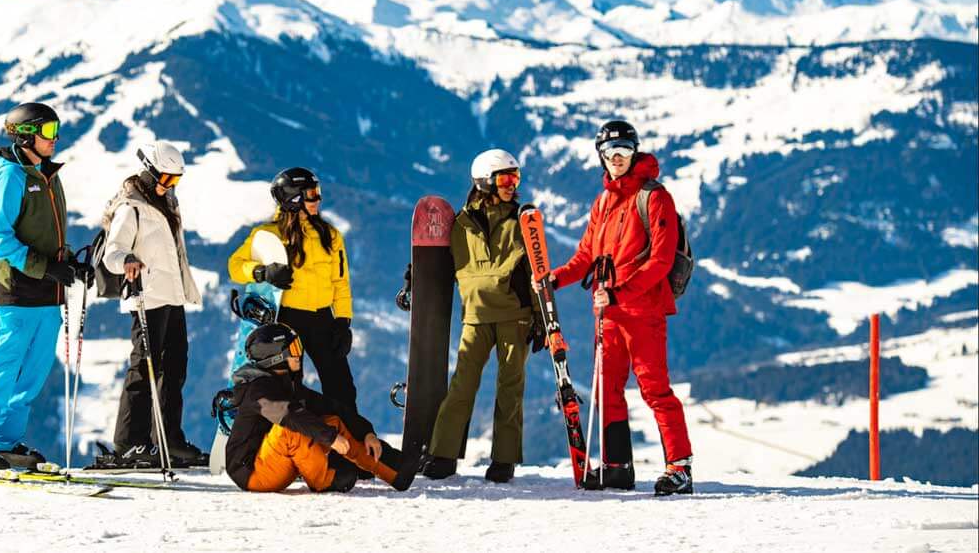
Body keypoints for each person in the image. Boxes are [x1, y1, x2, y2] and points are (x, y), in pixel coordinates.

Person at [547, 120, 694, 496]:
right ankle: (617, 467)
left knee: (654, 389)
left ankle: (679, 468)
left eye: (624, 151)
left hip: (643, 311)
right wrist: (555, 279)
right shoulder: (604, 202)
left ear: (635, 152)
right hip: (608, 312)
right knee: (606, 388)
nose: (617, 159)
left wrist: (619, 293)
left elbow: (660, 261)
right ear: (601, 156)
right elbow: (586, 256)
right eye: (610, 153)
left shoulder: (654, 197)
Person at [0, 102, 92, 474]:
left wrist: (67, 265)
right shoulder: (11, 177)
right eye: (49, 131)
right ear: (26, 134)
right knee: (2, 368)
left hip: (48, 295)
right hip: (16, 292)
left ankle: (3, 441)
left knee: (31, 376)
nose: (56, 139)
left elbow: (48, 236)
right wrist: (46, 267)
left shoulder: (49, 176)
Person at [420, 149, 545, 484]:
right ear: (484, 181)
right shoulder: (460, 224)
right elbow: (439, 262)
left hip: (514, 315)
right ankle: (443, 455)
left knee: (510, 388)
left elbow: (537, 269)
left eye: (515, 178)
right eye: (504, 178)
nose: (511, 185)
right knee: (462, 385)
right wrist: (412, 278)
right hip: (474, 315)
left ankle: (504, 461)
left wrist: (543, 319)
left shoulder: (522, 219)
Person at [92, 142, 207, 469]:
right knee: (145, 367)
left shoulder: (167, 203)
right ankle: (130, 442)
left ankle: (167, 440)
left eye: (176, 180)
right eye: (167, 179)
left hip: (171, 296)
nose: (171, 186)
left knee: (174, 369)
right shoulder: (131, 207)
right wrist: (127, 259)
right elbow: (113, 252)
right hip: (146, 297)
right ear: (150, 172)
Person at [227, 168, 357, 411]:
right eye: (311, 194)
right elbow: (235, 266)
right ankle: (297, 442)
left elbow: (340, 282)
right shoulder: (267, 234)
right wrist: (261, 272)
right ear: (293, 198)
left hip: (323, 320)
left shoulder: (330, 235)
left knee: (342, 387)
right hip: (286, 321)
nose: (317, 199)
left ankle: (350, 441)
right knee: (291, 388)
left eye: (317, 193)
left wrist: (343, 321)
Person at [225, 322, 408, 493]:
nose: (299, 354)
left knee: (332, 421)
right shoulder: (258, 391)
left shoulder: (287, 385)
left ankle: (396, 471)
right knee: (292, 429)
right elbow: (290, 415)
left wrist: (366, 432)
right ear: (276, 357)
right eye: (294, 349)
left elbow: (331, 407)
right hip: (252, 472)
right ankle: (325, 480)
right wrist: (330, 438)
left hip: (276, 460)